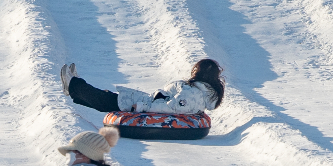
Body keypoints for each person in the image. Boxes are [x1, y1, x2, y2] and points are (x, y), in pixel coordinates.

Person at [61, 59, 225, 116]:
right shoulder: (200, 93)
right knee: (106, 97)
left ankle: (74, 84)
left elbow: (170, 108)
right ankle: (75, 86)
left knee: (103, 99)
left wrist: (142, 107)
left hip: (147, 104)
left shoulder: (192, 94)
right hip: (152, 99)